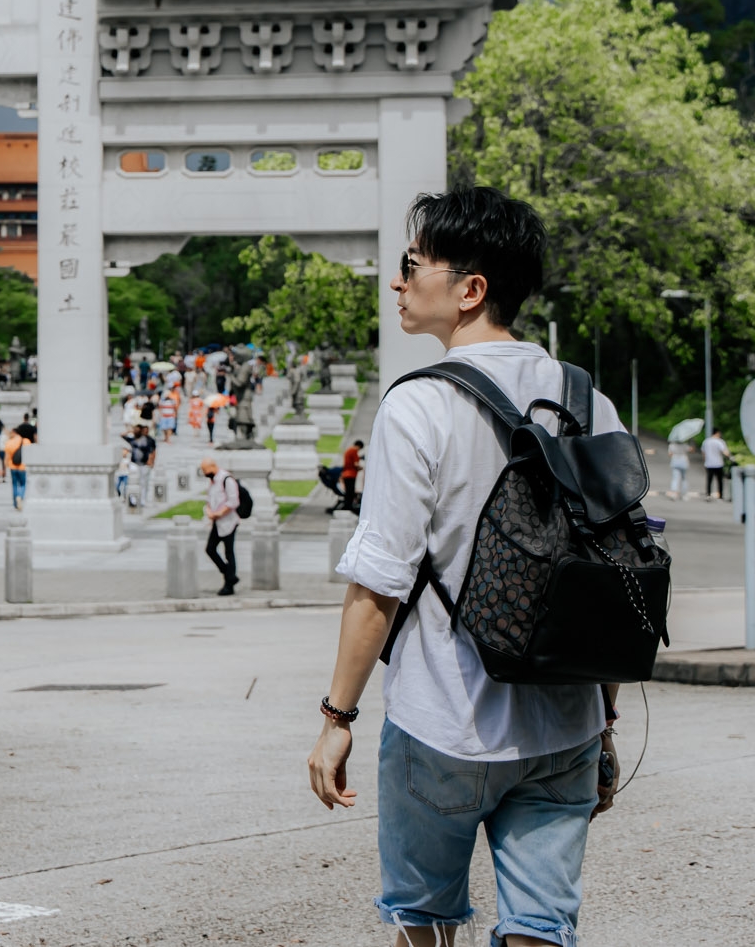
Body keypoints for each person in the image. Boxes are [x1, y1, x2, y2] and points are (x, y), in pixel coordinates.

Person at [309, 186, 618, 947]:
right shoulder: (587, 400)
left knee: (425, 922)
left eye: (413, 264)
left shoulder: (418, 406)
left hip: (441, 717)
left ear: (470, 290)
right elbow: (611, 577)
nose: (398, 280)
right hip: (564, 719)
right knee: (541, 927)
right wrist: (602, 719)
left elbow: (379, 581)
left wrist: (336, 719)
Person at [200, 456, 240, 595]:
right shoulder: (213, 481)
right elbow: (210, 499)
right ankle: (229, 575)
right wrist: (210, 511)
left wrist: (219, 513)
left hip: (229, 521)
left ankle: (229, 585)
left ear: (212, 467)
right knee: (210, 549)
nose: (204, 473)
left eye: (205, 470)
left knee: (229, 552)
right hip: (217, 522)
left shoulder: (226, 479)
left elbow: (233, 501)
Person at [121, 422, 157, 509]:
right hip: (134, 464)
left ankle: (143, 500)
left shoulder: (148, 440)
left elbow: (152, 452)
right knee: (133, 482)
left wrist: (151, 461)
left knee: (144, 482)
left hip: (144, 464)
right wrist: (130, 431)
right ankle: (133, 499)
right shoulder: (132, 439)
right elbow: (122, 435)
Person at [4, 421, 33, 511]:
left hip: (12, 467)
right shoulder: (26, 441)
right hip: (22, 467)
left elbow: (7, 457)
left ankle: (15, 503)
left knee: (14, 485)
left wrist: (5, 468)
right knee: (23, 484)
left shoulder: (9, 442)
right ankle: (20, 496)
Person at [702, 428, 731, 501]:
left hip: (709, 463)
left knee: (709, 480)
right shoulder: (719, 441)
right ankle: (720, 495)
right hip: (718, 463)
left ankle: (708, 494)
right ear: (717, 433)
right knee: (720, 480)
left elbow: (703, 452)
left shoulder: (706, 441)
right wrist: (729, 457)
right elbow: (725, 452)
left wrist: (705, 461)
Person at [341, 439, 365, 506]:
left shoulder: (348, 450)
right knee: (350, 492)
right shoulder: (354, 451)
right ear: (358, 446)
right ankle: (348, 506)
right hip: (351, 474)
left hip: (346, 473)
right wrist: (361, 468)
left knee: (348, 491)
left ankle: (347, 505)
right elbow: (356, 464)